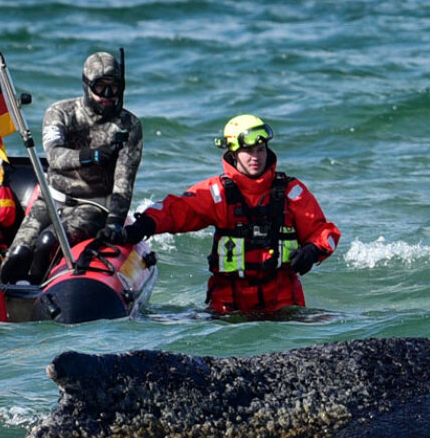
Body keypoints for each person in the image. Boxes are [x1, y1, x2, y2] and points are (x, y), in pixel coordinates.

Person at [115, 114, 340, 315]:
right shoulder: (217, 193)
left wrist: (313, 250)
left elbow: (324, 232)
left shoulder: (292, 192)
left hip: (284, 306)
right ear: (233, 152)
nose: (256, 157)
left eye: (260, 150)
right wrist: (141, 227)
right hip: (229, 309)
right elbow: (177, 211)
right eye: (248, 151)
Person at [0, 51, 143, 284]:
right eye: (101, 87)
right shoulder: (60, 113)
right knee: (18, 256)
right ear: (87, 86)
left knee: (47, 243)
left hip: (93, 206)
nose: (108, 95)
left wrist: (114, 223)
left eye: (114, 87)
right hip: (51, 199)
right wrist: (93, 156)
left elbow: (124, 179)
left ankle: (37, 298)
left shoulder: (129, 126)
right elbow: (55, 156)